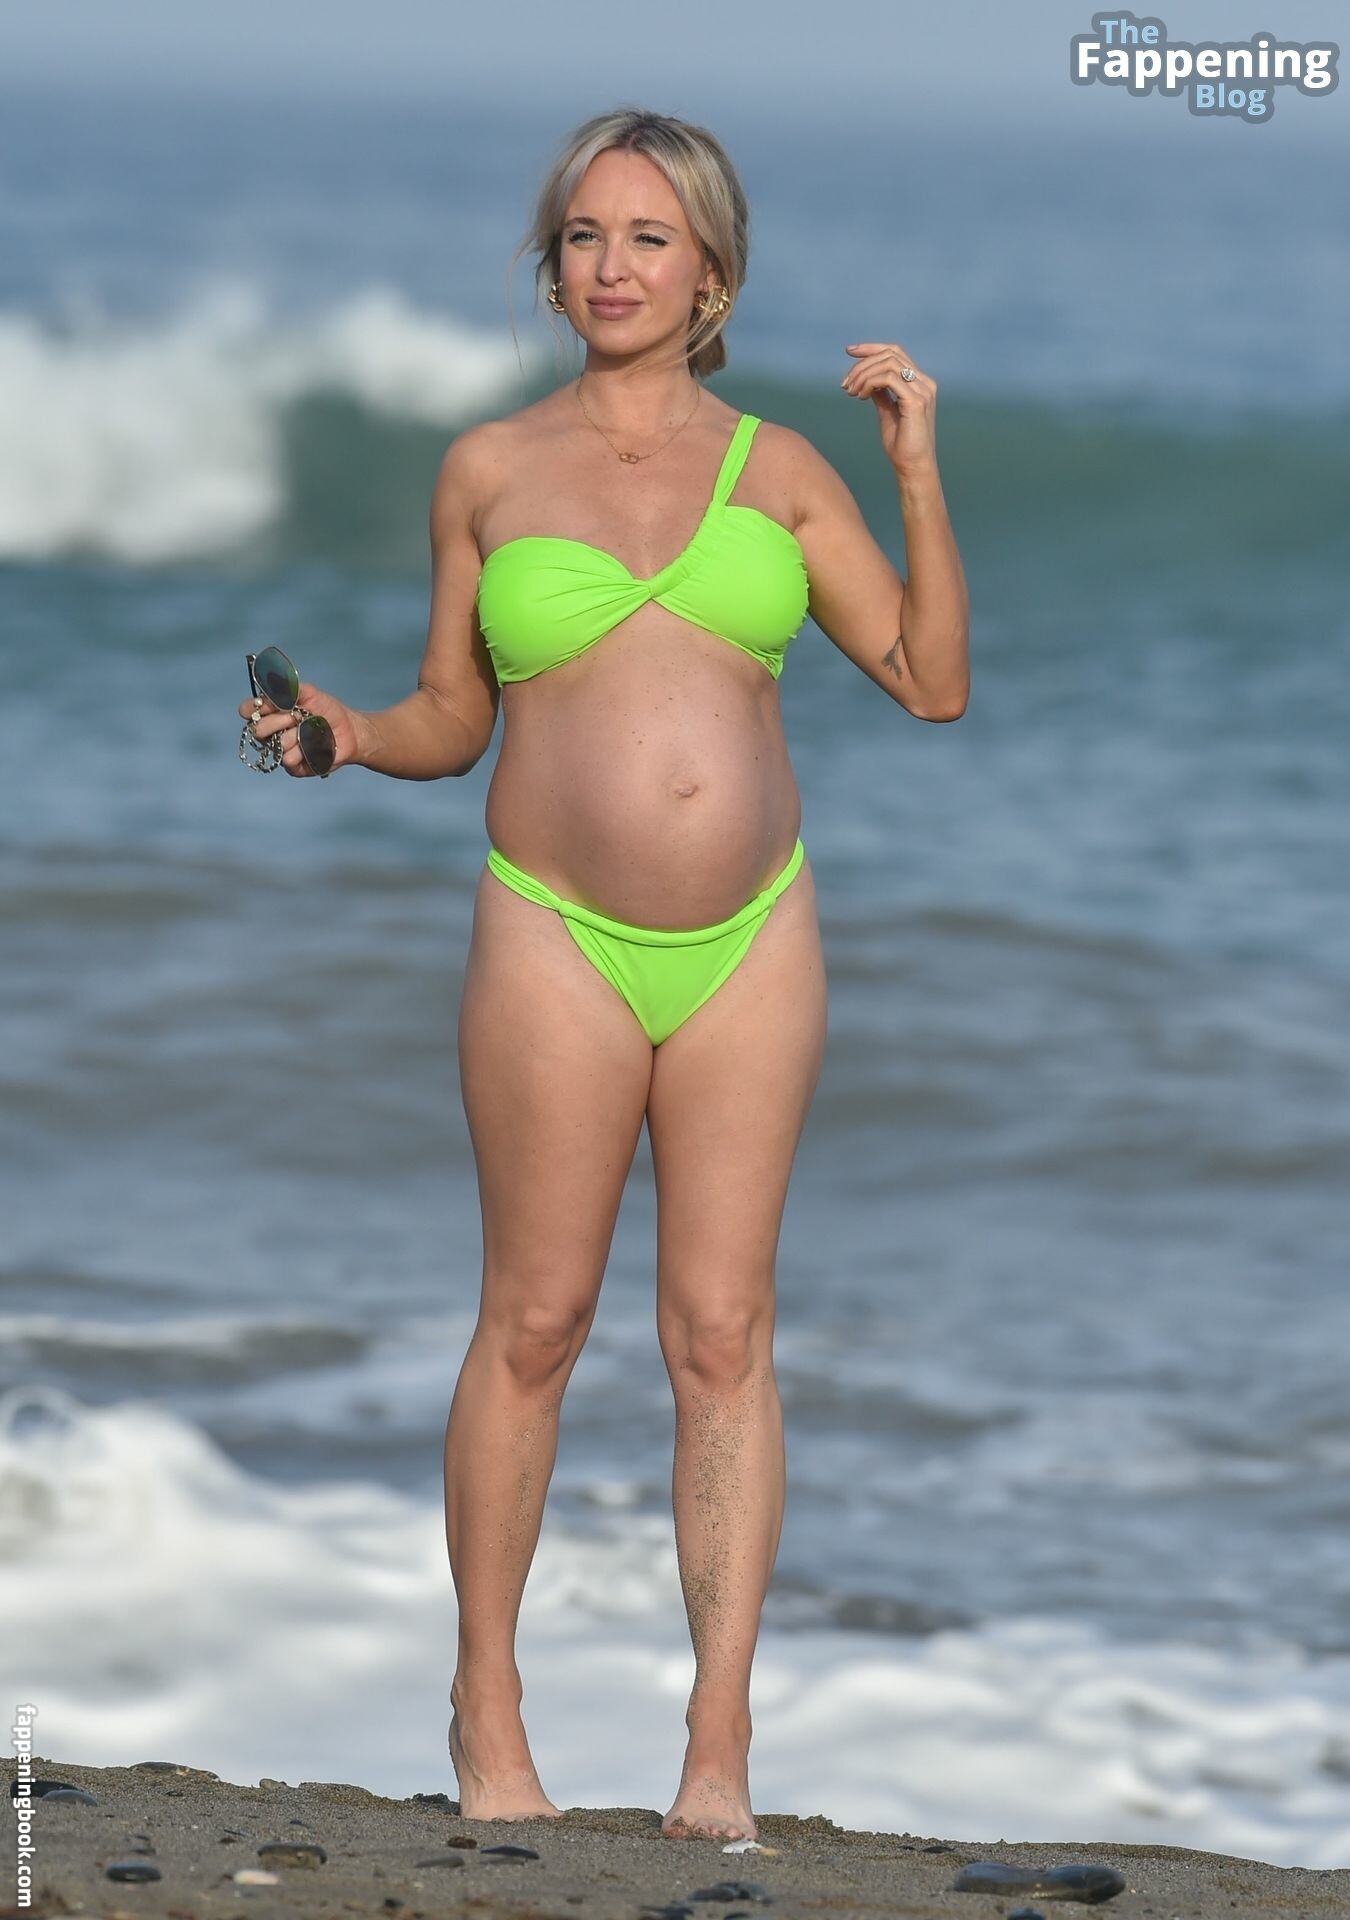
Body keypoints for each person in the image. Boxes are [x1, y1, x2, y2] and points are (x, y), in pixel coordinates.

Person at [237, 104, 969, 1842]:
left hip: (750, 938)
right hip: (550, 930)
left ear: (709, 272)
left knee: (720, 1333)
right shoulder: (488, 471)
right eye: (583, 235)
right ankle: (485, 1703)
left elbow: (929, 682)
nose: (611, 266)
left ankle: (716, 1742)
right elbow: (451, 715)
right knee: (535, 1321)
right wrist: (346, 732)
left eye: (648, 237)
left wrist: (911, 468)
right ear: (550, 266)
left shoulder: (781, 471)